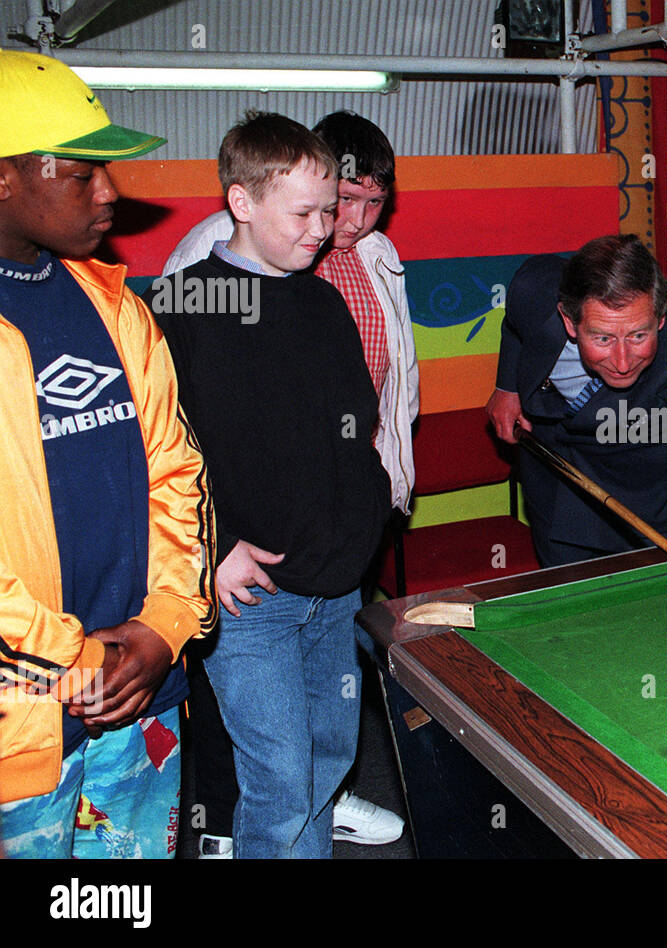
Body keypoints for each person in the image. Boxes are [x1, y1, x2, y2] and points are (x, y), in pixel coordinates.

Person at [161, 111, 411, 855]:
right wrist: (215, 545)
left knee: (327, 763)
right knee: (277, 781)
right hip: (250, 597)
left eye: (330, 209)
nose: (323, 227)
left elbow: (356, 427)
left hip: (335, 589)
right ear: (241, 201)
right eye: (303, 212)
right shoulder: (182, 304)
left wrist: (361, 530)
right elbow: (157, 450)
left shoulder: (324, 299)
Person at [0, 51, 214, 858]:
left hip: (141, 689)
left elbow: (177, 470)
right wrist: (80, 659)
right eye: (82, 170)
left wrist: (163, 628)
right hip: (24, 720)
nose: (110, 192)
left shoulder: (117, 306)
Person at [487, 235, 667, 635]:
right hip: (554, 481)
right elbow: (516, 327)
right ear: (569, 321)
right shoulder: (533, 288)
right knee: (573, 629)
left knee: (645, 633)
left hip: (645, 501)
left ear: (659, 317)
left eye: (639, 336)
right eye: (603, 338)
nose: (623, 362)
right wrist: (508, 386)